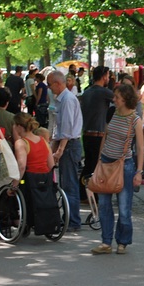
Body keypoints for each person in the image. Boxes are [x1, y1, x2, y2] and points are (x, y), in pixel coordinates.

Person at [91, 83, 144, 255]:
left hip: (124, 165)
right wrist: (99, 160)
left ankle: (122, 241)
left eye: (117, 97)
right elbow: (105, 137)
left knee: (124, 207)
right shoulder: (113, 113)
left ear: (125, 99)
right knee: (104, 205)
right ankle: (106, 241)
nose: (114, 99)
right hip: (106, 162)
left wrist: (139, 171)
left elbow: (141, 148)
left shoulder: (135, 120)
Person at [11, 112, 59, 237]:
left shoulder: (21, 143)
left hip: (28, 180)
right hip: (45, 180)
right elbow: (50, 164)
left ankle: (19, 221)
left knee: (9, 194)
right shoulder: (43, 140)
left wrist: (14, 185)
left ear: (19, 126)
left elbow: (21, 166)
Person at [47, 70, 84, 231]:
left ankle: (73, 220)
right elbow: (59, 127)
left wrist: (60, 149)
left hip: (70, 145)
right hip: (66, 143)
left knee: (69, 184)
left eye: (49, 84)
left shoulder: (68, 99)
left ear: (57, 83)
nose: (49, 88)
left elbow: (67, 128)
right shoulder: (60, 100)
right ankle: (68, 217)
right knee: (66, 183)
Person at [79, 66, 115, 196]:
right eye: (108, 75)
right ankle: (90, 193)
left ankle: (83, 193)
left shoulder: (87, 92)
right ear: (104, 76)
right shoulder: (103, 92)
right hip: (97, 134)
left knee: (89, 164)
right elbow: (120, 99)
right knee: (95, 165)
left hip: (87, 132)